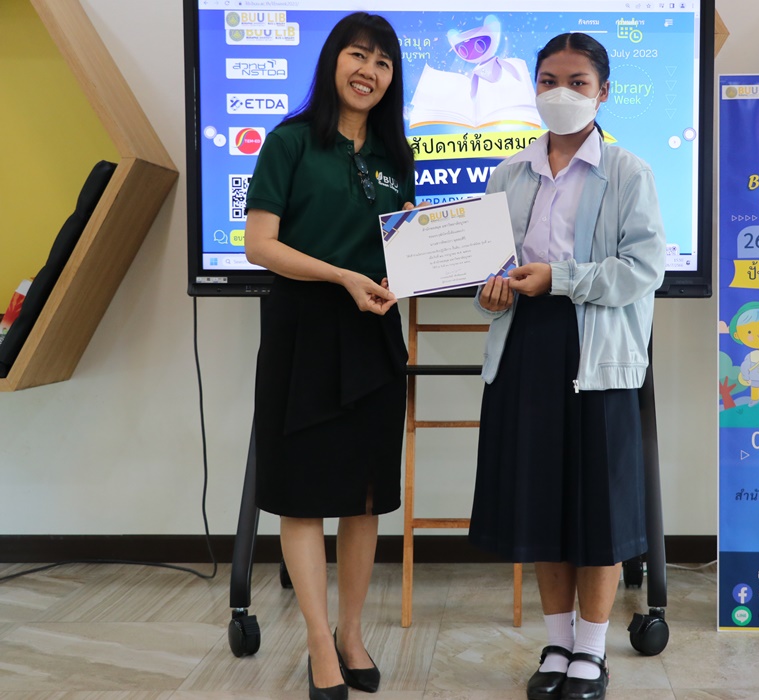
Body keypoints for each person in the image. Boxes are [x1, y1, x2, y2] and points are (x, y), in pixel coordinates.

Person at [468, 32, 666, 700]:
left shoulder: (629, 172)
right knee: (541, 505)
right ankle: (557, 644)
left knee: (599, 512)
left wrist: (560, 278)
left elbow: (643, 269)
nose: (561, 93)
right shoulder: (507, 174)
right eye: (548, 80)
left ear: (602, 92)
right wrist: (491, 291)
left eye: (577, 82)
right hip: (526, 347)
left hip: (598, 354)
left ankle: (592, 652)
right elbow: (489, 272)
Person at [243, 12, 415, 699]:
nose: (369, 71)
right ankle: (318, 640)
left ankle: (351, 633)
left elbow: (404, 249)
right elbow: (260, 245)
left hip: (373, 336)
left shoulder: (396, 155)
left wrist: (413, 273)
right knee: (304, 494)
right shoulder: (289, 142)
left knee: (365, 496)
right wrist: (342, 275)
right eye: (358, 55)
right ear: (333, 61)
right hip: (304, 332)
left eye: (383, 62)